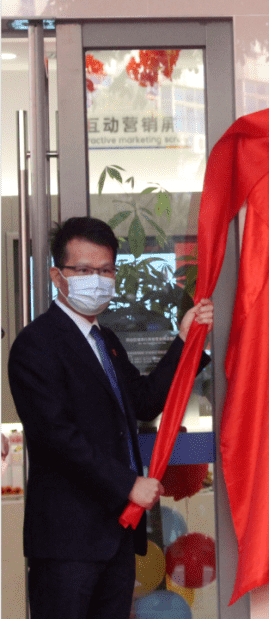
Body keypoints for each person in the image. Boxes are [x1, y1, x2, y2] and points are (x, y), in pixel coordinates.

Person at [7, 216, 213, 619]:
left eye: (105, 270)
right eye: (84, 270)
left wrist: (185, 341)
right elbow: (57, 437)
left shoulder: (106, 341)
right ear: (57, 276)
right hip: (67, 543)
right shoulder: (36, 345)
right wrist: (128, 484)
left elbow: (144, 402)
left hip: (116, 537)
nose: (96, 280)